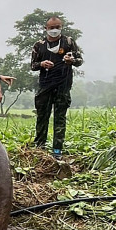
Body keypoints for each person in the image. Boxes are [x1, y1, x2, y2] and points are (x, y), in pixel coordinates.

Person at [30, 16, 83, 160]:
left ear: (61, 27)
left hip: (63, 85)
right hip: (45, 85)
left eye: (57, 27)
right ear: (46, 28)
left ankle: (57, 149)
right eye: (51, 27)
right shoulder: (39, 45)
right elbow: (33, 65)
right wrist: (42, 64)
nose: (54, 30)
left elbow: (80, 61)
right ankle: (39, 146)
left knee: (60, 118)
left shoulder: (69, 42)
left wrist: (71, 60)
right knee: (42, 117)